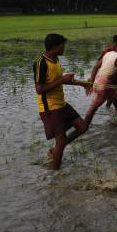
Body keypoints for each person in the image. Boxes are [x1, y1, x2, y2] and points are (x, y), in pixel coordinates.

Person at [34, 34, 89, 170]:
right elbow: (39, 89)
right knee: (61, 140)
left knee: (82, 126)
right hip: (50, 108)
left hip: (61, 104)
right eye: (62, 45)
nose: (64, 47)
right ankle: (55, 173)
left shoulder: (55, 59)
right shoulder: (41, 63)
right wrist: (62, 80)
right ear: (55, 47)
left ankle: (56, 150)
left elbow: (59, 81)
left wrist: (82, 84)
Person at [84, 36, 117, 125]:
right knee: (94, 106)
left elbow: (95, 67)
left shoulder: (108, 54)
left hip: (100, 82)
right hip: (105, 85)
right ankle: (84, 125)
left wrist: (91, 82)